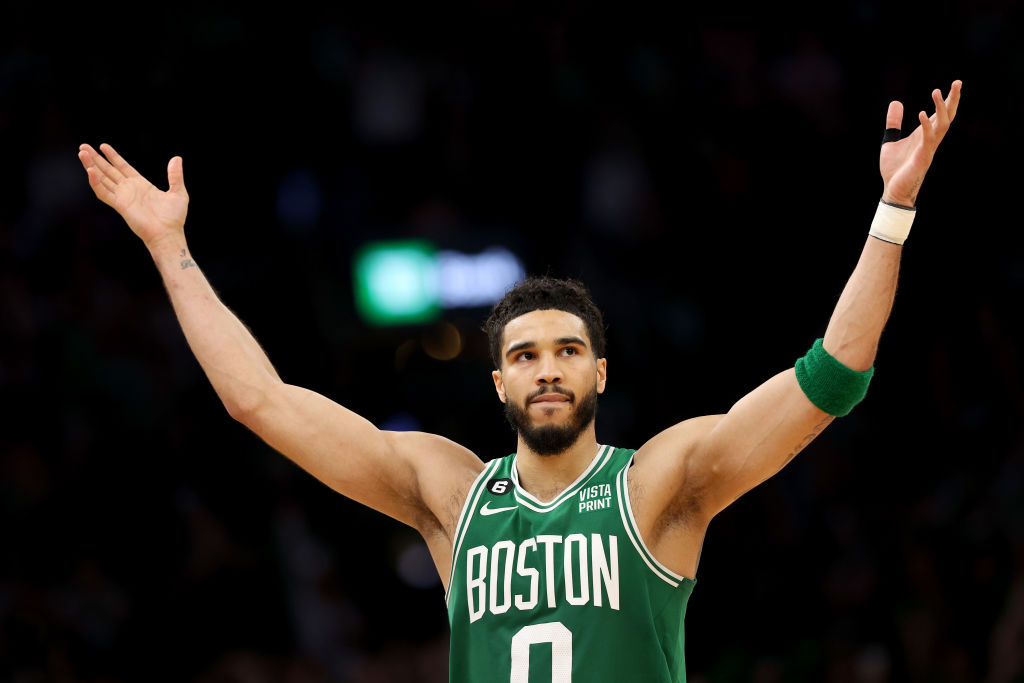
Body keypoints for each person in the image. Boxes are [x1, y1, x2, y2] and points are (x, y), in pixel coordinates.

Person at [78, 80, 962, 682]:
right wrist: (170, 247)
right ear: (498, 383)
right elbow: (257, 400)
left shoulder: (656, 484)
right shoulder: (450, 494)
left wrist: (893, 209)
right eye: (528, 355)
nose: (548, 368)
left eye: (568, 350)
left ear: (600, 374)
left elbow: (833, 377)